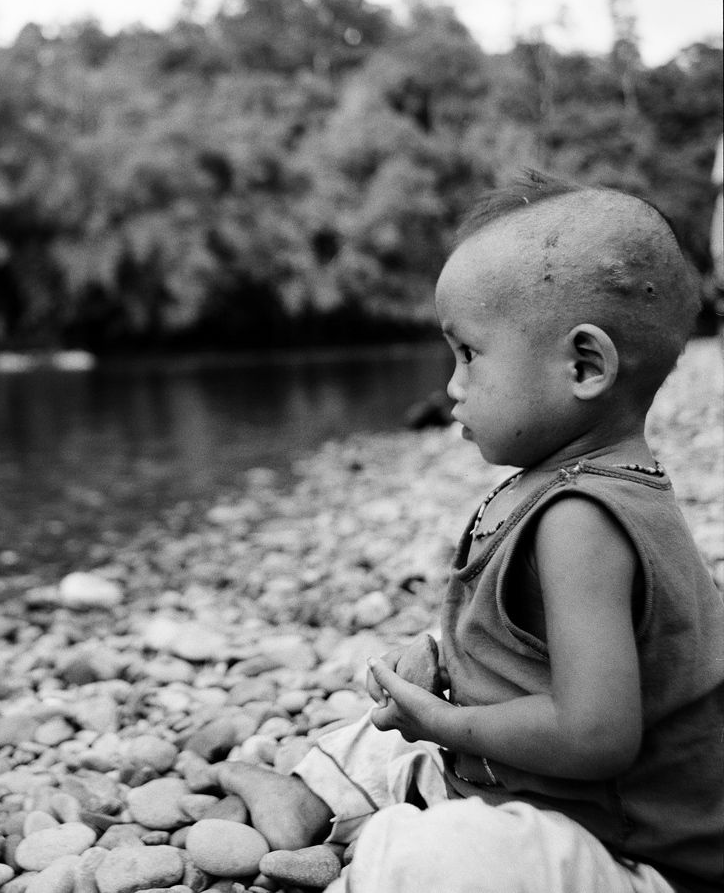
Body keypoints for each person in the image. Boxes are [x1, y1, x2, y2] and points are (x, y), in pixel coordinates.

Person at [213, 171, 724, 893]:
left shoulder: (582, 521)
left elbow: (598, 736)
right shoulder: (584, 485)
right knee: (384, 733)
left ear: (583, 365)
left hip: (634, 856)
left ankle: (366, 824)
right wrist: (442, 662)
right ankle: (308, 795)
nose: (451, 384)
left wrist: (443, 725)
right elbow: (542, 649)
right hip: (552, 798)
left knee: (431, 854)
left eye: (469, 354)